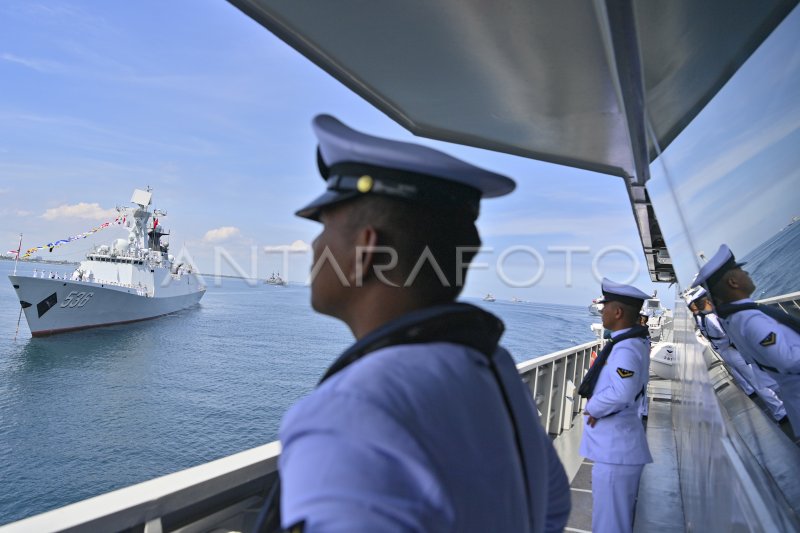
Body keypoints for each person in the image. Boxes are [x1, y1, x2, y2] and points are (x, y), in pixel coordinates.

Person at [277, 115, 570, 532]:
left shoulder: (352, 409)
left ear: (365, 249)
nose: (312, 245)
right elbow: (552, 508)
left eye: (324, 225)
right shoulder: (494, 368)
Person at [692, 244, 800, 437]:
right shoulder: (751, 319)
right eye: (740, 270)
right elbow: (788, 360)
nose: (747, 272)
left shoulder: (734, 317)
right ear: (733, 282)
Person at [579, 278, 653, 533]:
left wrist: (593, 408)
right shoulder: (627, 343)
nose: (601, 311)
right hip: (615, 450)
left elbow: (622, 393)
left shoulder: (626, 348)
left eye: (605, 306)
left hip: (616, 452)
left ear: (618, 312)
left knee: (610, 525)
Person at [693, 289, 787, 421]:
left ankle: (779, 410)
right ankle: (780, 412)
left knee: (754, 380)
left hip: (727, 352)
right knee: (757, 380)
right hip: (734, 350)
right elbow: (727, 334)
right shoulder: (711, 318)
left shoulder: (701, 319)